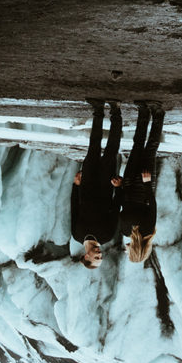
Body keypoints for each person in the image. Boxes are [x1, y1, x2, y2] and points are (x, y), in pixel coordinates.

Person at [71, 100, 122, 268]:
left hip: (87, 185)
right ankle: (116, 111)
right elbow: (115, 209)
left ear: (87, 255)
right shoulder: (107, 236)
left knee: (93, 147)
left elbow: (74, 208)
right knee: (111, 149)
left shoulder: (76, 234)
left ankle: (98, 109)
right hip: (105, 186)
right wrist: (118, 188)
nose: (100, 255)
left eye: (96, 258)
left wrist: (76, 185)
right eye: (101, 258)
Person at [117, 102, 164, 263]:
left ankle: (143, 112)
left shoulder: (124, 232)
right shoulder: (147, 230)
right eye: (128, 253)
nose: (125, 250)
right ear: (136, 250)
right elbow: (153, 204)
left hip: (129, 184)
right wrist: (147, 183)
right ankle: (158, 114)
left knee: (136, 146)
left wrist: (120, 187)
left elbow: (123, 205)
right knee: (150, 149)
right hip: (144, 186)